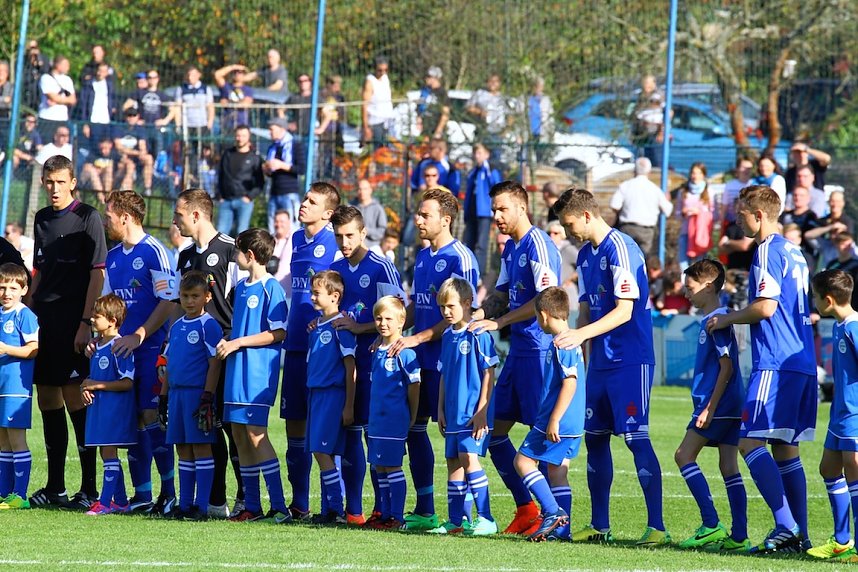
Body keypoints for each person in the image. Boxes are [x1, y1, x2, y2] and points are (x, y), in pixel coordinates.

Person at [552, 187, 667, 546]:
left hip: (630, 360)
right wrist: (583, 351)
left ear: (586, 215)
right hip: (600, 362)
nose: (568, 232)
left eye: (569, 224)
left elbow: (625, 310)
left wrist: (579, 333)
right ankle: (600, 525)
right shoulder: (586, 255)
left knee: (635, 439)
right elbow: (586, 306)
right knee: (596, 438)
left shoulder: (622, 247)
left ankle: (657, 528)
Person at [706, 184, 816, 554]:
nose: (737, 221)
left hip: (776, 360)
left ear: (758, 215)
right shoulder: (794, 250)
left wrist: (727, 319)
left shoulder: (767, 250)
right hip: (802, 360)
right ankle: (800, 534)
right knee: (787, 448)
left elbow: (765, 307)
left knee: (750, 440)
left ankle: (785, 525)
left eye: (741, 214)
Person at [468, 181, 561, 535]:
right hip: (519, 353)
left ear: (522, 208)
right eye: (493, 210)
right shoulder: (512, 249)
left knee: (545, 440)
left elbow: (546, 299)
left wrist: (500, 321)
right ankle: (527, 509)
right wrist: (480, 313)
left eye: (502, 209)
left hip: (539, 353)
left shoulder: (538, 244)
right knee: (493, 434)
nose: (496, 216)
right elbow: (503, 293)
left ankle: (556, 515)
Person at [385, 188, 478, 532]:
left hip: (451, 362)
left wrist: (417, 337)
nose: (418, 220)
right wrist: (392, 334)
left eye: (425, 215)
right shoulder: (423, 257)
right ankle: (425, 509)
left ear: (446, 219)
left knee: (458, 440)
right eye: (418, 214)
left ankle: (469, 515)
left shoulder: (461, 259)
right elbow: (416, 307)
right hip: (419, 359)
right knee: (414, 428)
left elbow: (461, 315)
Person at [27, 155, 106, 510]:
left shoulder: (88, 217)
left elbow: (97, 273)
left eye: (60, 181)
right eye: (49, 182)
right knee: (47, 400)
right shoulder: (42, 219)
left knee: (76, 400)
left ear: (73, 182)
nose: (54, 188)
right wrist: (25, 312)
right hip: (44, 321)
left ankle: (89, 488)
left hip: (74, 322)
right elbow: (39, 272)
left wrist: (86, 322)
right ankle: (56, 487)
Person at [102, 190, 178, 514]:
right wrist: (100, 337)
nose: (106, 220)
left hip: (148, 348)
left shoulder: (155, 252)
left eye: (109, 215)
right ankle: (142, 495)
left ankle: (169, 492)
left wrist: (140, 334)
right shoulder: (114, 256)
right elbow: (108, 306)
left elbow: (168, 301)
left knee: (150, 417)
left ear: (125, 217)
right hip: (122, 350)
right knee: (132, 420)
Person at [173, 189, 246, 518]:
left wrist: (236, 344)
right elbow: (179, 309)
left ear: (196, 215)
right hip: (192, 359)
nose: (175, 220)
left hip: (227, 351)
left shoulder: (231, 251)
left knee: (231, 428)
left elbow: (243, 303)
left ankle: (246, 498)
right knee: (203, 428)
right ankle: (214, 501)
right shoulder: (185, 256)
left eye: (179, 214)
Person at [329, 206, 403, 523]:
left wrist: (361, 329)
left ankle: (382, 509)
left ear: (363, 233)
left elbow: (399, 316)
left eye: (349, 235)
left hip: (374, 363)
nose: (344, 242)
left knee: (374, 437)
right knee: (349, 433)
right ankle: (354, 510)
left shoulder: (380, 267)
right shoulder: (335, 268)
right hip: (342, 364)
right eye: (338, 236)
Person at [674, 259, 749, 551]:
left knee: (683, 455)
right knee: (728, 465)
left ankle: (710, 524)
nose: (686, 293)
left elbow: (726, 367)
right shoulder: (720, 317)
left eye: (690, 287)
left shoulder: (717, 320)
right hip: (731, 403)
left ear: (707, 286)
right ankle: (740, 536)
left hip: (719, 403)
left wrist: (710, 407)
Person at [215, 228, 289, 523]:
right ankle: (252, 505)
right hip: (236, 370)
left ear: (249, 255)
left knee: (256, 434)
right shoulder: (242, 288)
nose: (234, 257)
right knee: (238, 434)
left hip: (257, 374)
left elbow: (279, 332)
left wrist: (237, 342)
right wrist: (229, 342)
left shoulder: (272, 288)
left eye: (237, 252)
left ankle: (280, 505)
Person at [279, 182, 341, 521]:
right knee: (294, 427)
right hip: (295, 345)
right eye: (304, 199)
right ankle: (300, 504)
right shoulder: (297, 239)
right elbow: (293, 285)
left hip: (324, 349)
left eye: (311, 201)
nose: (303, 205)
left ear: (327, 213)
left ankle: (338, 506)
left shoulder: (334, 243)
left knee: (327, 431)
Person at [512, 287, 585, 542]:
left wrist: (553, 418)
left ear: (543, 315)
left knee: (522, 462)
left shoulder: (561, 342)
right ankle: (562, 532)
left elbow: (570, 382)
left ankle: (553, 512)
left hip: (558, 420)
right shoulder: (572, 339)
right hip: (574, 422)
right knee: (557, 473)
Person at [430, 277, 499, 536]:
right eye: (442, 308)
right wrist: (439, 409)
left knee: (469, 458)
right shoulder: (447, 335)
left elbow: (489, 372)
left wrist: (482, 411)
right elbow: (444, 375)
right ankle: (456, 521)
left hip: (473, 413)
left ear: (468, 303)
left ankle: (487, 518)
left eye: (450, 306)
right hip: (453, 411)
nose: (446, 312)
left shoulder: (478, 333)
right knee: (453, 462)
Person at [160, 270, 223, 520]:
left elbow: (214, 364)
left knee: (201, 448)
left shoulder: (209, 325)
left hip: (197, 395)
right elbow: (170, 364)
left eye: (195, 296)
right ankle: (185, 504)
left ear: (207, 297)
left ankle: (202, 506)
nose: (189, 301)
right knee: (183, 449)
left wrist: (208, 395)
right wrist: (163, 396)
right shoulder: (176, 326)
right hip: (176, 395)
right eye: (185, 296)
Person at [807, 269, 858, 560]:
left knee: (854, 474)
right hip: (839, 414)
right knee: (828, 468)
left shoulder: (853, 327)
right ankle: (841, 540)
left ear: (827, 300)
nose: (813, 302)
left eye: (815, 297)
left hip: (854, 415)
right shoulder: (839, 326)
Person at [304, 270, 356, 524]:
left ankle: (336, 509)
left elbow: (350, 367)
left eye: (317, 293)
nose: (312, 296)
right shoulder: (316, 326)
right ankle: (329, 510)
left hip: (332, 396)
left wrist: (348, 404)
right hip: (316, 394)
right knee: (320, 451)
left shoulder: (340, 326)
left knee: (322, 452)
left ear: (335, 296)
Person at [365, 296, 420, 529]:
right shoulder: (377, 349)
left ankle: (397, 517)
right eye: (378, 318)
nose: (383, 323)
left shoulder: (405, 352)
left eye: (388, 318)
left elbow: (414, 386)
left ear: (401, 321)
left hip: (394, 419)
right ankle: (385, 514)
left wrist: (412, 415)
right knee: (380, 467)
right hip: (376, 420)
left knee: (393, 467)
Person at [80, 294, 135, 516]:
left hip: (115, 410)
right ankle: (120, 502)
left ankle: (104, 503)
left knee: (109, 451)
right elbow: (93, 380)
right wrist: (87, 389)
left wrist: (96, 385)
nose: (92, 320)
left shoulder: (118, 346)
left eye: (97, 316)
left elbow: (127, 383)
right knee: (106, 452)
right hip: (100, 410)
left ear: (112, 320)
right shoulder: (97, 346)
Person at [0, 263, 39, 510]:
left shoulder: (24, 314)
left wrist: (6, 349)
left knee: (16, 440)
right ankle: (5, 493)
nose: (7, 293)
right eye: (3, 287)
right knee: (2, 442)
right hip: (1, 387)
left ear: (24, 289)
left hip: (16, 387)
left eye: (13, 288)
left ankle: (20, 495)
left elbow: (33, 349)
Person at [609, 157, 673, 256]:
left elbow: (614, 205)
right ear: (649, 171)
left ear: (635, 170)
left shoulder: (625, 186)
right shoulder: (654, 189)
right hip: (647, 231)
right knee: (643, 260)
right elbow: (668, 210)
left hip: (627, 228)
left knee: (625, 258)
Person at [217, 125, 264, 236]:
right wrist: (220, 195)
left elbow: (260, 182)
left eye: (243, 136)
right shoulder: (227, 154)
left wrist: (249, 197)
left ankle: (240, 254)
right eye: (238, 135)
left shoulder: (254, 158)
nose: (240, 138)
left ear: (248, 137)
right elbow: (220, 176)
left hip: (244, 201)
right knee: (221, 233)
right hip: (226, 200)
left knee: (241, 233)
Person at [463, 143, 502, 274]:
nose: (476, 156)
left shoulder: (490, 169)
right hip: (471, 212)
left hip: (484, 213)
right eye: (475, 153)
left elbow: (496, 187)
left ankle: (478, 273)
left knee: (481, 245)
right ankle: (466, 271)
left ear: (487, 154)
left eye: (479, 153)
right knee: (468, 243)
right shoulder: (473, 172)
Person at [265, 117, 306, 230]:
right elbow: (271, 173)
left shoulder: (295, 146)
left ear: (282, 129)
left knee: (291, 227)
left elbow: (301, 169)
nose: (270, 132)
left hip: (289, 193)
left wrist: (282, 165)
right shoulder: (272, 148)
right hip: (274, 193)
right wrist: (267, 169)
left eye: (272, 129)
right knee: (273, 227)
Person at [177, 67, 215, 183]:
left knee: (206, 150)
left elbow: (210, 107)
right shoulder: (182, 89)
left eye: (193, 74)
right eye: (188, 75)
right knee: (189, 151)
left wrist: (209, 123)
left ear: (199, 75)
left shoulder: (205, 89)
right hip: (188, 126)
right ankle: (191, 175)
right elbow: (177, 107)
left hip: (202, 125)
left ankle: (208, 173)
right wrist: (179, 125)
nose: (190, 77)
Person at [675, 162, 714, 270]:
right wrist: (684, 212)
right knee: (683, 263)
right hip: (685, 232)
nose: (695, 176)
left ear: (703, 175)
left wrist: (700, 213)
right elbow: (677, 214)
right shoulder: (683, 192)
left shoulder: (709, 192)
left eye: (698, 173)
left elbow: (714, 214)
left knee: (699, 264)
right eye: (693, 173)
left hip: (700, 233)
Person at [466, 74, 510, 161]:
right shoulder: (480, 94)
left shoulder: (503, 98)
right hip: (483, 131)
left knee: (496, 160)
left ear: (499, 83)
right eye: (491, 81)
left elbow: (511, 115)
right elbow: (468, 108)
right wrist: (479, 112)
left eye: (496, 81)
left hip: (498, 133)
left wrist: (506, 130)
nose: (493, 84)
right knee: (480, 158)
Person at [113, 109, 155, 196]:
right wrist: (136, 152)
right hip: (121, 157)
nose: (131, 118)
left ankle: (147, 188)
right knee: (130, 165)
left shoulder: (140, 130)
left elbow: (142, 146)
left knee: (149, 158)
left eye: (134, 115)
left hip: (135, 157)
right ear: (125, 117)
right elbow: (119, 147)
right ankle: (124, 192)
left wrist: (140, 153)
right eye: (129, 115)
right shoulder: (119, 128)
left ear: (137, 117)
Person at [79, 62, 116, 152]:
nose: (100, 73)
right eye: (99, 70)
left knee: (105, 147)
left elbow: (113, 100)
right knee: (94, 148)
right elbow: (83, 105)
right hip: (93, 120)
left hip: (106, 121)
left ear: (107, 73)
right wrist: (85, 123)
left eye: (103, 71)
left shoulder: (110, 85)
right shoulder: (88, 84)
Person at [37, 55, 76, 131]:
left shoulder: (68, 80)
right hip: (47, 117)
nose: (68, 67)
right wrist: (64, 100)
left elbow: (73, 100)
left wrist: (57, 101)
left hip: (62, 118)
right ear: (57, 65)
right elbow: (53, 97)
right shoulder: (46, 78)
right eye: (65, 65)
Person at [362, 56, 394, 146]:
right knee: (377, 151)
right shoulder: (370, 81)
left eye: (385, 70)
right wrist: (365, 127)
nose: (383, 73)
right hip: (375, 122)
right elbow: (364, 105)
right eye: (380, 70)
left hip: (387, 121)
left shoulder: (385, 78)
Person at [546, 221, 579, 309]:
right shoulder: (547, 250)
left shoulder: (569, 249)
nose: (551, 236)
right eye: (549, 233)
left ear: (562, 235)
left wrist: (571, 278)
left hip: (568, 296)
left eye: (555, 233)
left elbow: (584, 265)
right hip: (553, 297)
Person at [214, 65, 254, 133]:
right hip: (227, 124)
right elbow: (217, 75)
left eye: (240, 72)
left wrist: (228, 103)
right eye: (235, 72)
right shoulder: (226, 87)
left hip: (242, 125)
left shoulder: (247, 89)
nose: (237, 74)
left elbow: (246, 104)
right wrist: (233, 67)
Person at [351, 179, 387, 249]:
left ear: (370, 190)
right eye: (359, 189)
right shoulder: (350, 207)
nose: (362, 192)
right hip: (353, 246)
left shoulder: (378, 208)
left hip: (373, 246)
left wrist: (365, 230)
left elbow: (381, 232)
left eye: (365, 189)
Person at [826, 233, 858, 310]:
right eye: (843, 244)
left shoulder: (856, 265)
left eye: (849, 245)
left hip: (852, 307)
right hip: (833, 306)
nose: (846, 248)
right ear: (836, 245)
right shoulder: (832, 264)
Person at [417, 67, 450, 140]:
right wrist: (419, 120)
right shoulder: (424, 91)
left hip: (435, 129)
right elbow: (419, 107)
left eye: (429, 77)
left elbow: (445, 114)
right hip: (425, 130)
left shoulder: (442, 93)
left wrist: (438, 131)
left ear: (436, 78)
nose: (426, 79)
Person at [527, 77, 554, 163]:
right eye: (535, 86)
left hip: (542, 133)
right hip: (529, 133)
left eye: (539, 86)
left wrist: (551, 132)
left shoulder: (546, 100)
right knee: (528, 158)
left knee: (541, 157)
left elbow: (550, 117)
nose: (537, 88)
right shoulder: (525, 99)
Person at [721, 157, 754, 226]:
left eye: (749, 168)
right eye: (743, 167)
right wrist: (722, 225)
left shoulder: (755, 185)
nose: (746, 170)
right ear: (737, 168)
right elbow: (724, 207)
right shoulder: (729, 185)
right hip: (732, 223)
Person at [287, 74, 313, 138]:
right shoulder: (294, 97)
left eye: (305, 81)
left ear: (310, 82)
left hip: (311, 134)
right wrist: (287, 124)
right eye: (300, 81)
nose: (303, 83)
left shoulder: (315, 98)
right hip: (296, 134)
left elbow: (327, 114)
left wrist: (321, 129)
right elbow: (280, 110)